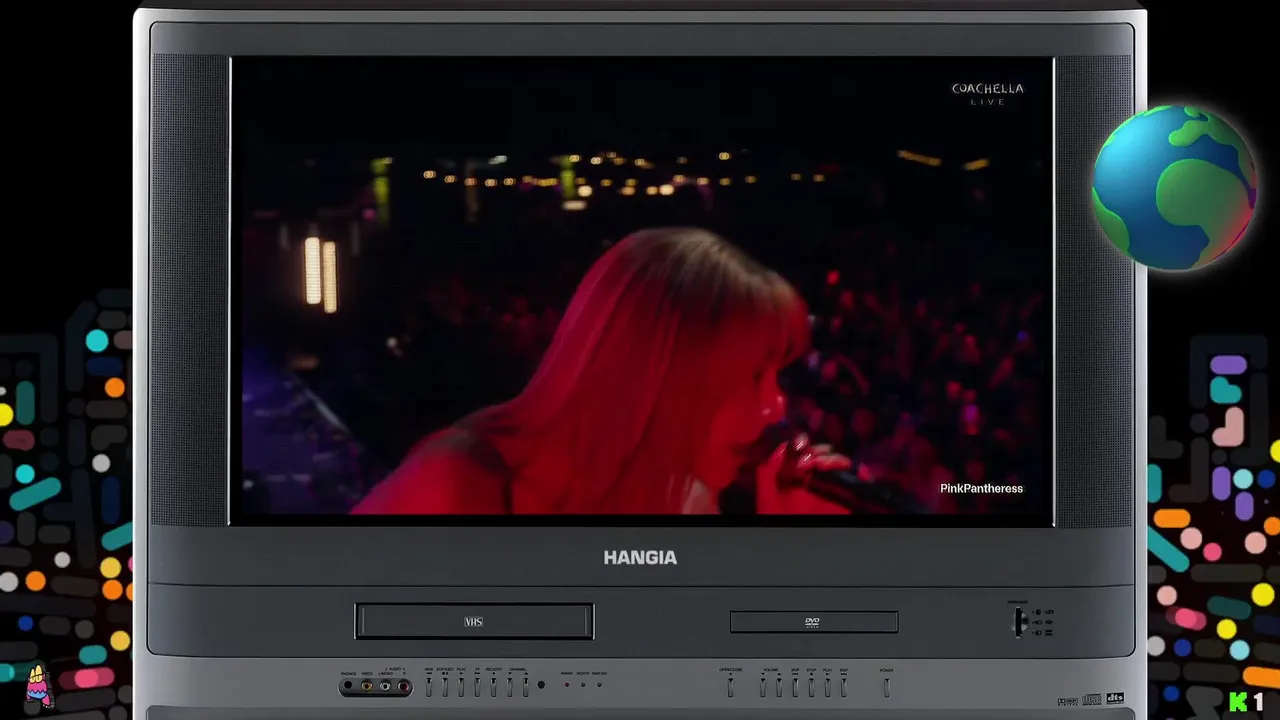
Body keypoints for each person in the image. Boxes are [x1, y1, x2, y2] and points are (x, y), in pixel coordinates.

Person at [351, 228, 851, 515]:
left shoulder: (688, 498)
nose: (775, 407)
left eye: (776, 377)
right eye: (752, 375)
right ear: (655, 372)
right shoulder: (455, 483)